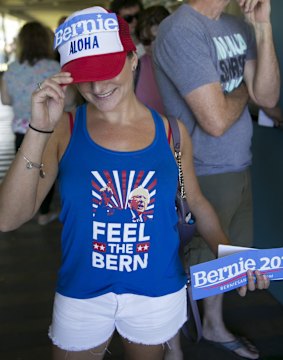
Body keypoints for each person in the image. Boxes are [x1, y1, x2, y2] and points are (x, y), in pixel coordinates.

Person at [0, 6, 270, 360]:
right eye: (84, 76)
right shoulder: (64, 129)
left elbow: (197, 203)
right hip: (82, 292)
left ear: (131, 59)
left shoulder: (173, 133)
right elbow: (8, 218)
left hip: (155, 290)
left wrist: (230, 254)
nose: (97, 87)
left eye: (106, 70)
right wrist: (39, 129)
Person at [153, 0, 280, 359]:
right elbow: (216, 120)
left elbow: (267, 95)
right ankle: (170, 344)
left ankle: (213, 324)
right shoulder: (181, 29)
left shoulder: (238, 25)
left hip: (239, 164)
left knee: (226, 254)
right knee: (188, 261)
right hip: (199, 170)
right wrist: (244, 87)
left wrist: (263, 26)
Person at [0, 21, 61, 225]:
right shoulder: (55, 67)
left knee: (24, 168)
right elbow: (67, 100)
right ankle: (43, 212)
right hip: (50, 129)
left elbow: (6, 100)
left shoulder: (12, 69)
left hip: (20, 129)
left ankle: (22, 208)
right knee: (47, 169)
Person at [134, 5, 170, 113]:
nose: (153, 46)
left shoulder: (188, 62)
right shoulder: (135, 69)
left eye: (158, 38)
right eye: (146, 41)